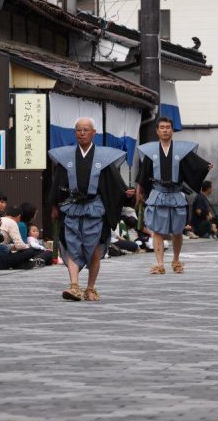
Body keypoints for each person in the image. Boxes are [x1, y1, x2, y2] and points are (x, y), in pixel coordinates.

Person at [48, 117, 133, 301]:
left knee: (94, 249)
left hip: (95, 209)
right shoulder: (66, 157)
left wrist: (126, 193)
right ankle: (73, 286)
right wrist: (54, 205)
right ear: (74, 133)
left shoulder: (103, 158)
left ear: (94, 133)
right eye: (79, 130)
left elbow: (115, 183)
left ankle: (91, 288)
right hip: (72, 208)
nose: (82, 133)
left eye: (86, 130)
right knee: (71, 246)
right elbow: (57, 183)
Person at [135, 117, 211, 275]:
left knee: (177, 230)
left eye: (168, 127)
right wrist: (139, 191)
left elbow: (194, 165)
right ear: (157, 131)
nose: (165, 130)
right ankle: (159, 263)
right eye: (161, 127)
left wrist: (205, 167)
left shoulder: (182, 151)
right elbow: (143, 174)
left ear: (172, 130)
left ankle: (176, 260)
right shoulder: (150, 151)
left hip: (176, 193)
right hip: (158, 193)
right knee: (157, 230)